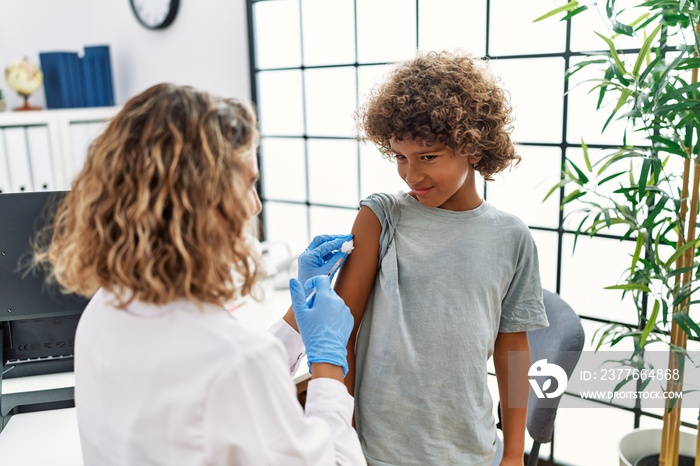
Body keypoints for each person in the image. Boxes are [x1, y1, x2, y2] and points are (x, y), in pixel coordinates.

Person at [33, 83, 366, 466]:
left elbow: (218, 393)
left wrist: (296, 321)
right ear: (206, 205)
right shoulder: (232, 362)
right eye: (249, 184)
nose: (255, 206)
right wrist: (326, 365)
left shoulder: (104, 311)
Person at [333, 51, 550, 466]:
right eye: (400, 156)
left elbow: (513, 348)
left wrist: (514, 453)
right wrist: (341, 432)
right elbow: (339, 332)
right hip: (380, 450)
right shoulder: (379, 219)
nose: (412, 176)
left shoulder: (511, 237)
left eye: (427, 157)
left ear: (472, 147)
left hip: (471, 448)